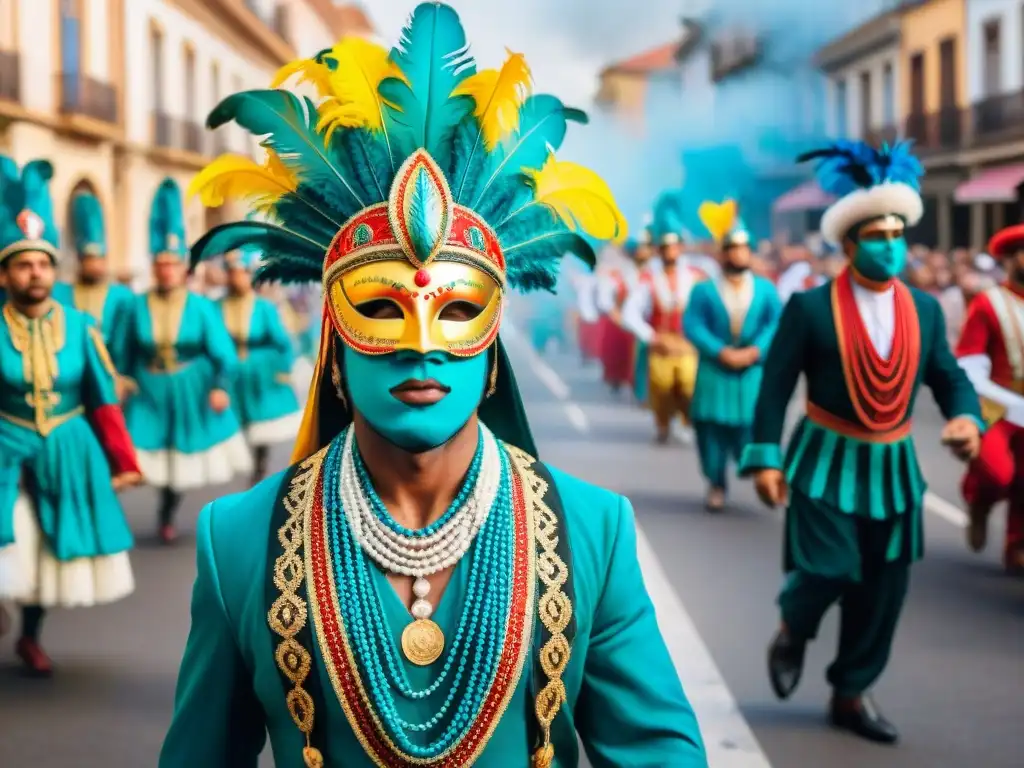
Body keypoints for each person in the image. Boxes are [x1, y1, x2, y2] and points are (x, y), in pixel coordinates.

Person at [160, 7, 708, 766]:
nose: (421, 346)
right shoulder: (239, 541)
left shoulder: (594, 531)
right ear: (334, 349)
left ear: (491, 358)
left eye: (455, 313)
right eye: (382, 308)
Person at [739, 140, 982, 744]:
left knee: (883, 585)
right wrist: (766, 458)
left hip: (893, 465)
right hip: (824, 460)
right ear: (849, 243)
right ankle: (794, 627)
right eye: (877, 234)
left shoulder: (925, 310)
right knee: (829, 567)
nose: (890, 245)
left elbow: (948, 376)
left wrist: (966, 419)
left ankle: (851, 692)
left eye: (898, 233)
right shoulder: (810, 308)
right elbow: (774, 387)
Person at [0, 157, 141, 676]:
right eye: (22, 264)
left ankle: (31, 636)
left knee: (46, 549)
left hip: (67, 444)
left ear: (52, 269)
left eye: (41, 264)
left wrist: (123, 461)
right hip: (5, 446)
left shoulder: (81, 326)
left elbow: (102, 399)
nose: (34, 273)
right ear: (5, 273)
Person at [121, 178, 251, 545]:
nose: (166, 271)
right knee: (138, 456)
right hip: (149, 390)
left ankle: (167, 511)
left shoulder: (201, 308)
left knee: (179, 464)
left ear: (184, 268)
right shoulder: (135, 306)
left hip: (190, 388)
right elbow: (122, 353)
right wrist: (121, 380)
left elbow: (223, 354)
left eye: (173, 264)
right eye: (160, 264)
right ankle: (153, 507)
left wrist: (220, 387)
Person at [684, 200, 780, 511]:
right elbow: (693, 324)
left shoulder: (766, 290)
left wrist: (756, 350)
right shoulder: (704, 290)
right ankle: (715, 483)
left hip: (751, 373)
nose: (738, 254)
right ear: (722, 253)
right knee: (710, 433)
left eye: (743, 248)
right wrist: (720, 351)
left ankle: (758, 471)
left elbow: (776, 323)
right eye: (732, 248)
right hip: (715, 372)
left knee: (752, 428)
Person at [956, 225, 1024, 574]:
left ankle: (1016, 544)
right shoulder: (989, 302)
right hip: (998, 406)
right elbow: (968, 360)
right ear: (1011, 259)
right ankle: (978, 499)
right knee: (999, 474)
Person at [622, 194, 703, 444]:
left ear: (681, 246)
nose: (671, 251)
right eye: (665, 247)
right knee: (662, 389)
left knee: (689, 386)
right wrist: (651, 337)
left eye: (675, 246)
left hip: (688, 344)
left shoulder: (697, 275)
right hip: (661, 345)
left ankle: (690, 421)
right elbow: (630, 312)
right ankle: (663, 424)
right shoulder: (648, 277)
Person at [219, 245, 302, 484]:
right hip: (231, 373)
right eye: (232, 272)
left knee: (260, 425)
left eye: (242, 272)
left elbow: (282, 342)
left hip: (259, 373)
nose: (237, 277)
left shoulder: (264, 308)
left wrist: (283, 370)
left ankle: (259, 467)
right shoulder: (216, 306)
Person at [51, 191, 136, 378]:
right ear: (80, 260)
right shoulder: (60, 293)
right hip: (72, 370)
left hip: (112, 370)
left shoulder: (123, 296)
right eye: (89, 259)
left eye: (99, 259)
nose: (95, 265)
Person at [595, 239, 649, 394]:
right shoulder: (620, 272)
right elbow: (608, 301)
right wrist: (618, 317)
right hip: (622, 321)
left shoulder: (651, 272)